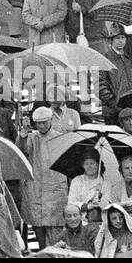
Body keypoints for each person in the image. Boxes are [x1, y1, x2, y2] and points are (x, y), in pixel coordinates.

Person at [19, 106, 68, 247]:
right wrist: (22, 136)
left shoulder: (60, 137)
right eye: (38, 123)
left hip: (55, 189)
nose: (41, 126)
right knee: (38, 227)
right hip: (36, 188)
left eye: (44, 122)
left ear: (51, 120)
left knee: (55, 231)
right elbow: (22, 149)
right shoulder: (31, 137)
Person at [98, 29, 132, 123]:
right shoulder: (105, 59)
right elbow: (100, 83)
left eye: (123, 37)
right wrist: (113, 102)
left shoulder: (130, 59)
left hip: (131, 105)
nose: (121, 41)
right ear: (111, 40)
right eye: (117, 38)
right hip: (113, 109)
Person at [67, 152, 108, 220]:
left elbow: (107, 204)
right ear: (83, 166)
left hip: (99, 219)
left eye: (92, 163)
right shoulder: (77, 180)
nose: (89, 167)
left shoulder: (105, 183)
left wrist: (99, 197)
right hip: (78, 219)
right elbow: (71, 203)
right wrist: (88, 206)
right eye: (86, 164)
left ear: (98, 164)